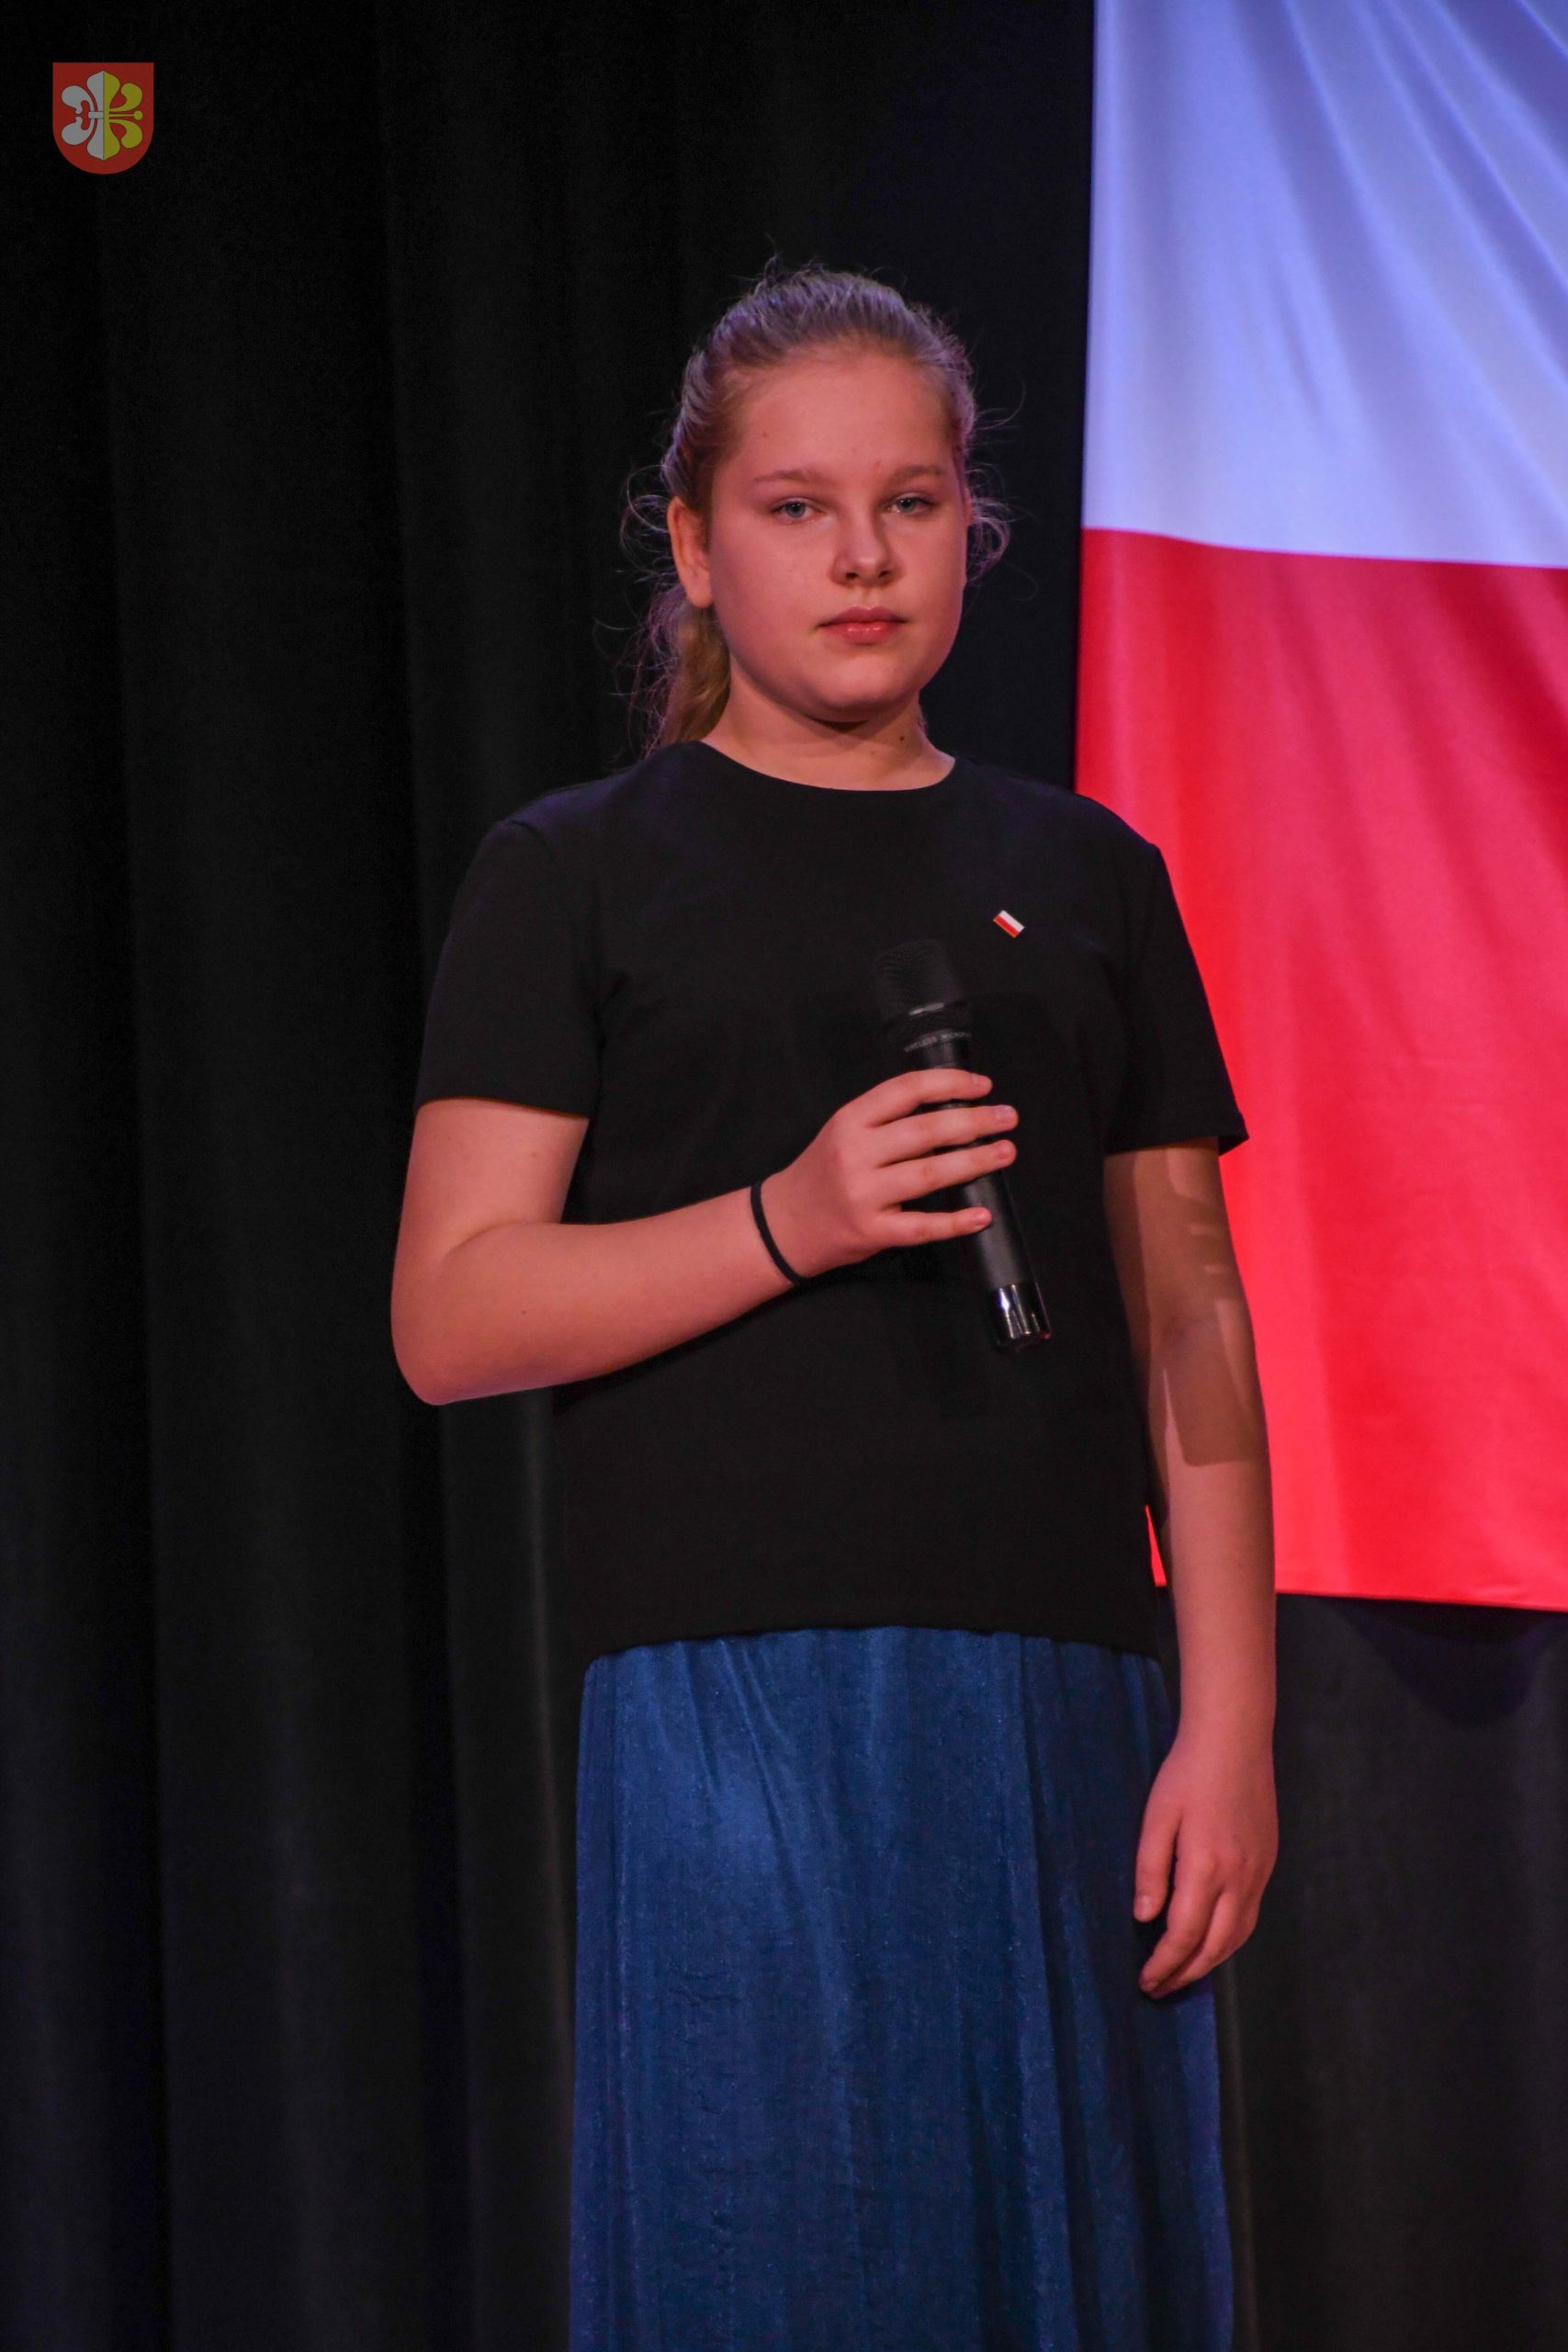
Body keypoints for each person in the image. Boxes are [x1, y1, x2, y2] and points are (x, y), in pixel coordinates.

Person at [391, 260, 1278, 2350]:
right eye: (795, 508)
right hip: (736, 1695)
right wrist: (786, 1220)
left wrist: (1231, 1718)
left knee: (1062, 2252)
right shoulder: (580, 871)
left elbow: (1191, 1314)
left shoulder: (1088, 870)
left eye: (910, 503)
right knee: (784, 2238)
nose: (861, 556)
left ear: (970, 529)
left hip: (1062, 1686)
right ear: (696, 547)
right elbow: (453, 1311)